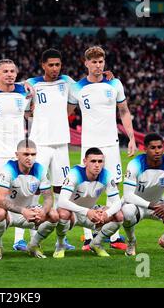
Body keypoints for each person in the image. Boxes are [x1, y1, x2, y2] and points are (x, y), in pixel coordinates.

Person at [68, 46, 136, 251]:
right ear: (86, 63)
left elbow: (124, 111)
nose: (98, 66)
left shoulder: (115, 83)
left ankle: (112, 235)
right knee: (86, 188)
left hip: (111, 144)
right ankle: (88, 236)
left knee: (112, 186)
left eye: (101, 62)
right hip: (89, 145)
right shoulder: (77, 88)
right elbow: (66, 114)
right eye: (94, 62)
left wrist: (131, 138)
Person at [25, 48, 76, 252]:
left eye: (58, 65)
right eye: (51, 65)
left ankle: (60, 240)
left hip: (61, 144)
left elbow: (86, 87)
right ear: (43, 65)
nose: (55, 68)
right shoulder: (32, 83)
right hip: (39, 144)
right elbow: (22, 104)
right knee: (34, 188)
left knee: (61, 190)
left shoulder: (68, 82)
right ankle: (29, 237)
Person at [0, 59, 29, 247]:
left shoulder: (24, 92)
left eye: (12, 71)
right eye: (5, 71)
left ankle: (19, 240)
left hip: (18, 154)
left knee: (21, 195)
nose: (9, 74)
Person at [0, 139, 59, 260]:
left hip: (30, 211)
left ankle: (33, 245)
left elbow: (48, 198)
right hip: (9, 213)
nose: (30, 158)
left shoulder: (40, 170)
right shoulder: (7, 170)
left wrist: (43, 211)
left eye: (33, 154)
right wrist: (23, 211)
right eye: (26, 154)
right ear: (17, 155)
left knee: (53, 215)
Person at [54, 147, 123, 258]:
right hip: (73, 213)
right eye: (93, 161)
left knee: (119, 216)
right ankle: (60, 245)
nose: (97, 165)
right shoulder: (75, 173)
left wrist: (106, 214)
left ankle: (96, 243)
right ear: (85, 162)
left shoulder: (107, 175)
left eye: (100, 161)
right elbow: (62, 201)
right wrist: (87, 212)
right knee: (62, 214)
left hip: (92, 212)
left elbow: (117, 203)